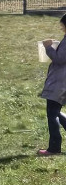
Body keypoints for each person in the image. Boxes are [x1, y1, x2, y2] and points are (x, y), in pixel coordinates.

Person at [38, 13, 66, 156]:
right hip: (62, 83)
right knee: (55, 111)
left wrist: (48, 47)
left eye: (63, 26)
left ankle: (54, 148)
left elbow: (60, 59)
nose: (62, 29)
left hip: (60, 82)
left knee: (52, 114)